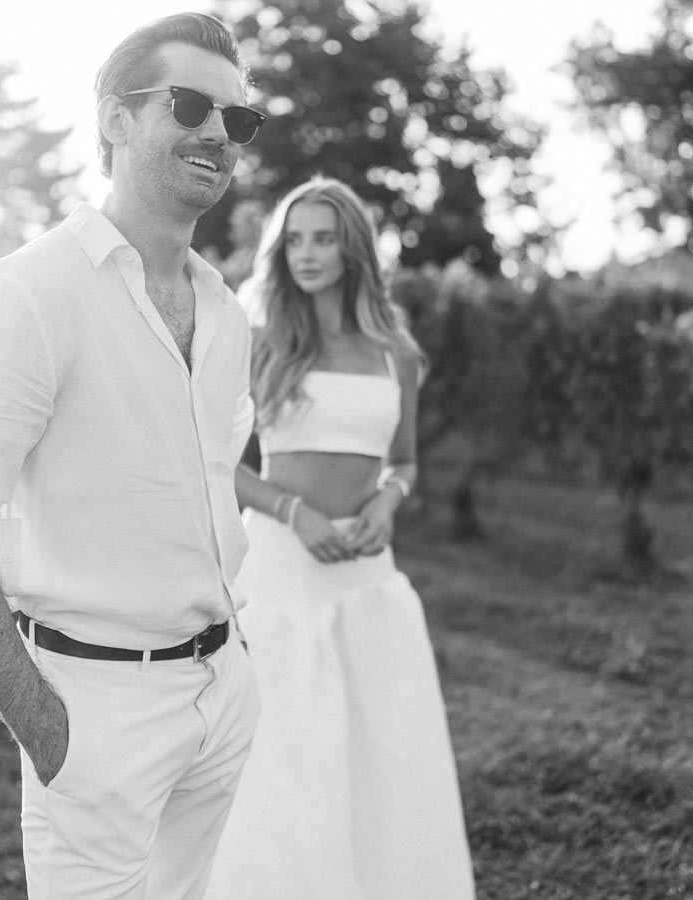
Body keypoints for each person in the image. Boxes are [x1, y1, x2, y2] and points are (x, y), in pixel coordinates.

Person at [0, 13, 268, 899]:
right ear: (116, 119)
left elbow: (210, 498)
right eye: (189, 105)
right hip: (98, 714)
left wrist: (236, 666)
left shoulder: (225, 313)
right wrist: (52, 733)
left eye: (239, 120)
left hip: (222, 699)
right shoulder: (30, 295)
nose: (217, 132)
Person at [205, 177, 476, 899]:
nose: (307, 253)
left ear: (353, 246)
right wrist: (295, 514)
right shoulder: (261, 343)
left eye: (324, 237)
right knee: (285, 767)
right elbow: (214, 461)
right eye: (294, 239)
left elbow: (406, 460)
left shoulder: (397, 353)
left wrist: (390, 499)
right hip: (281, 583)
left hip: (367, 585)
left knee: (383, 760)